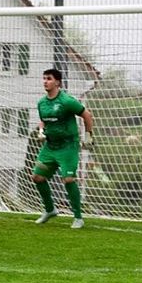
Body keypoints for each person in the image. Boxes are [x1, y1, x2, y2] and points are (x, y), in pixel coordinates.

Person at [32, 68, 94, 229]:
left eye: (49, 78)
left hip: (68, 146)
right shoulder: (41, 103)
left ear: (57, 82)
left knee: (68, 179)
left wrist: (88, 136)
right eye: (44, 78)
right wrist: (41, 131)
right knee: (37, 178)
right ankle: (50, 210)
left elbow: (87, 115)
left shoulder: (67, 101)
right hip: (50, 146)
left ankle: (78, 218)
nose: (45, 81)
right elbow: (44, 121)